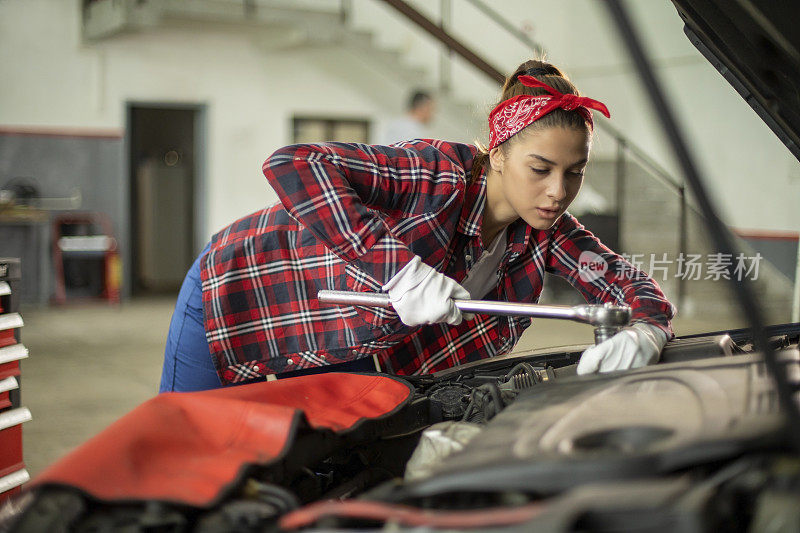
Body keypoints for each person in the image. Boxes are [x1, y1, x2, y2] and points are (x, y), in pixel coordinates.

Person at [159, 59, 675, 393]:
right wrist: (399, 270)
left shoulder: (547, 232)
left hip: (346, 342)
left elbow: (623, 281)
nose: (558, 192)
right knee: (183, 458)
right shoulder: (437, 174)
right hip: (240, 289)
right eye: (540, 169)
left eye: (574, 173)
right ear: (497, 155)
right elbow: (293, 164)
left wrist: (650, 326)